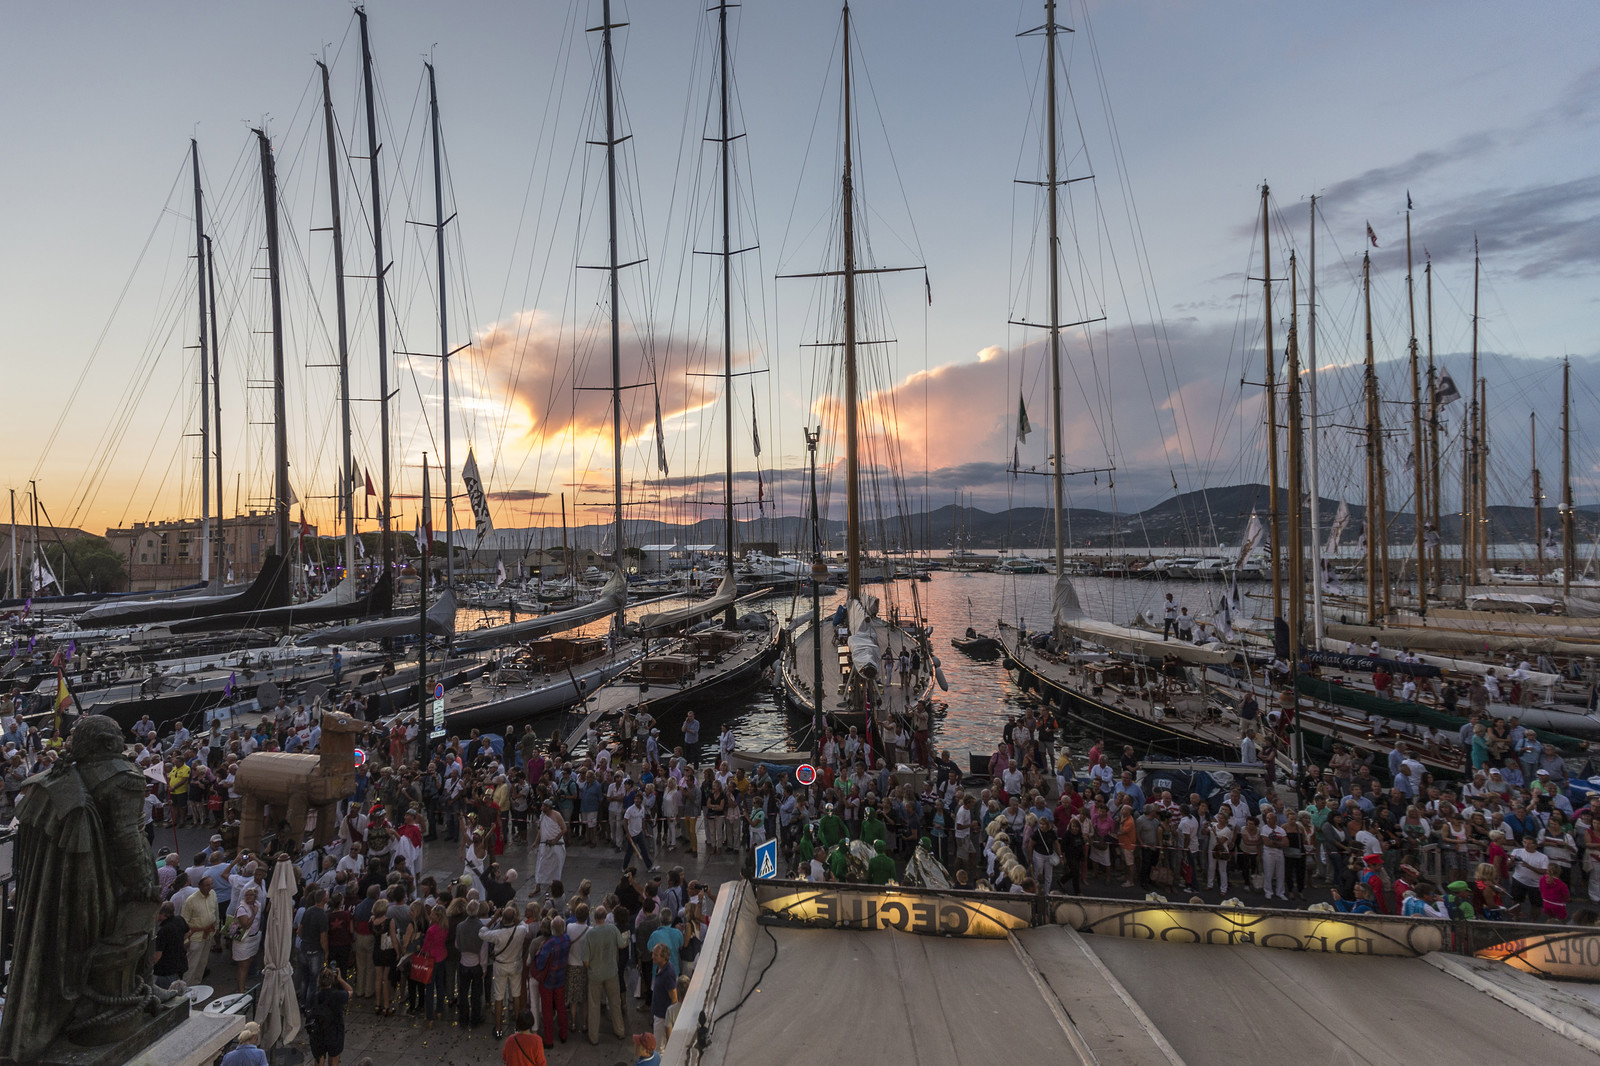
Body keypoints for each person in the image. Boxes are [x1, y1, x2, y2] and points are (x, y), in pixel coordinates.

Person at [584, 905, 628, 1044]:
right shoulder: (613, 929)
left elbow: (585, 960)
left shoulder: (590, 934)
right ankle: (620, 1031)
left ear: (594, 918)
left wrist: (591, 968)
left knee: (594, 1005)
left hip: (595, 974)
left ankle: (594, 1036)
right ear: (605, 917)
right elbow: (621, 945)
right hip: (611, 972)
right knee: (615, 1003)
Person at [307, 967, 352, 1066]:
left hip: (318, 1034)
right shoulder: (338, 996)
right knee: (334, 1061)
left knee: (319, 1060)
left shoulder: (314, 997)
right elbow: (350, 991)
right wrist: (340, 979)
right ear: (332, 980)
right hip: (334, 1033)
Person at [230, 884, 264, 992]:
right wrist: (253, 914)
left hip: (254, 938)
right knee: (243, 966)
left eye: (251, 895)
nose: (249, 897)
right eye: (247, 895)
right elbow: (246, 925)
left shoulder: (257, 905)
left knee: (248, 963)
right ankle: (241, 990)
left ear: (255, 897)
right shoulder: (241, 908)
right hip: (244, 940)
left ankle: (242, 985)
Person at [649, 942, 677, 1047]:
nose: (653, 957)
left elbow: (674, 998)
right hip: (658, 1012)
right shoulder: (660, 967)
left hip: (663, 1016)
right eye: (653, 953)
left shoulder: (668, 973)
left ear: (664, 957)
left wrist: (670, 1021)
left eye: (656, 955)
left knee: (659, 1046)